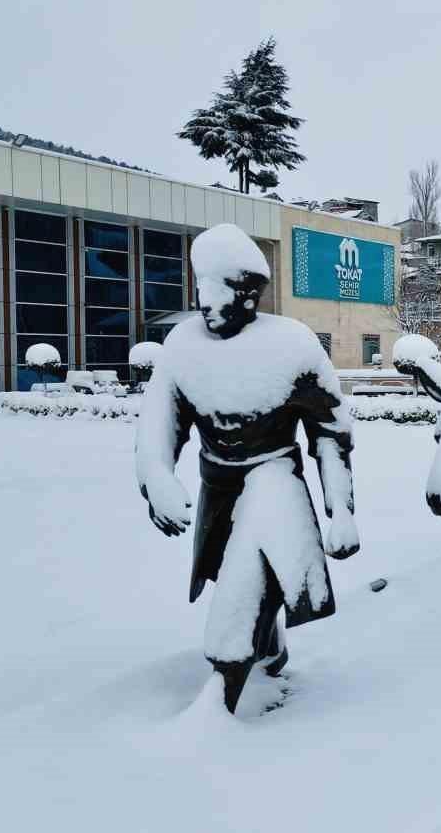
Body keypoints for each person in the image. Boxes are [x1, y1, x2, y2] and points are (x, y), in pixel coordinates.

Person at [135, 223, 360, 714]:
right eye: (203, 289)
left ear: (250, 296)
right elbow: (160, 422)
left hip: (273, 482)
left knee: (244, 588)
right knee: (224, 573)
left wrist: (339, 509)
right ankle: (271, 646)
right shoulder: (182, 346)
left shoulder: (292, 345)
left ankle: (222, 696)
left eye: (224, 292)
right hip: (218, 484)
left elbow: (330, 433)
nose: (208, 303)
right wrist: (157, 477)